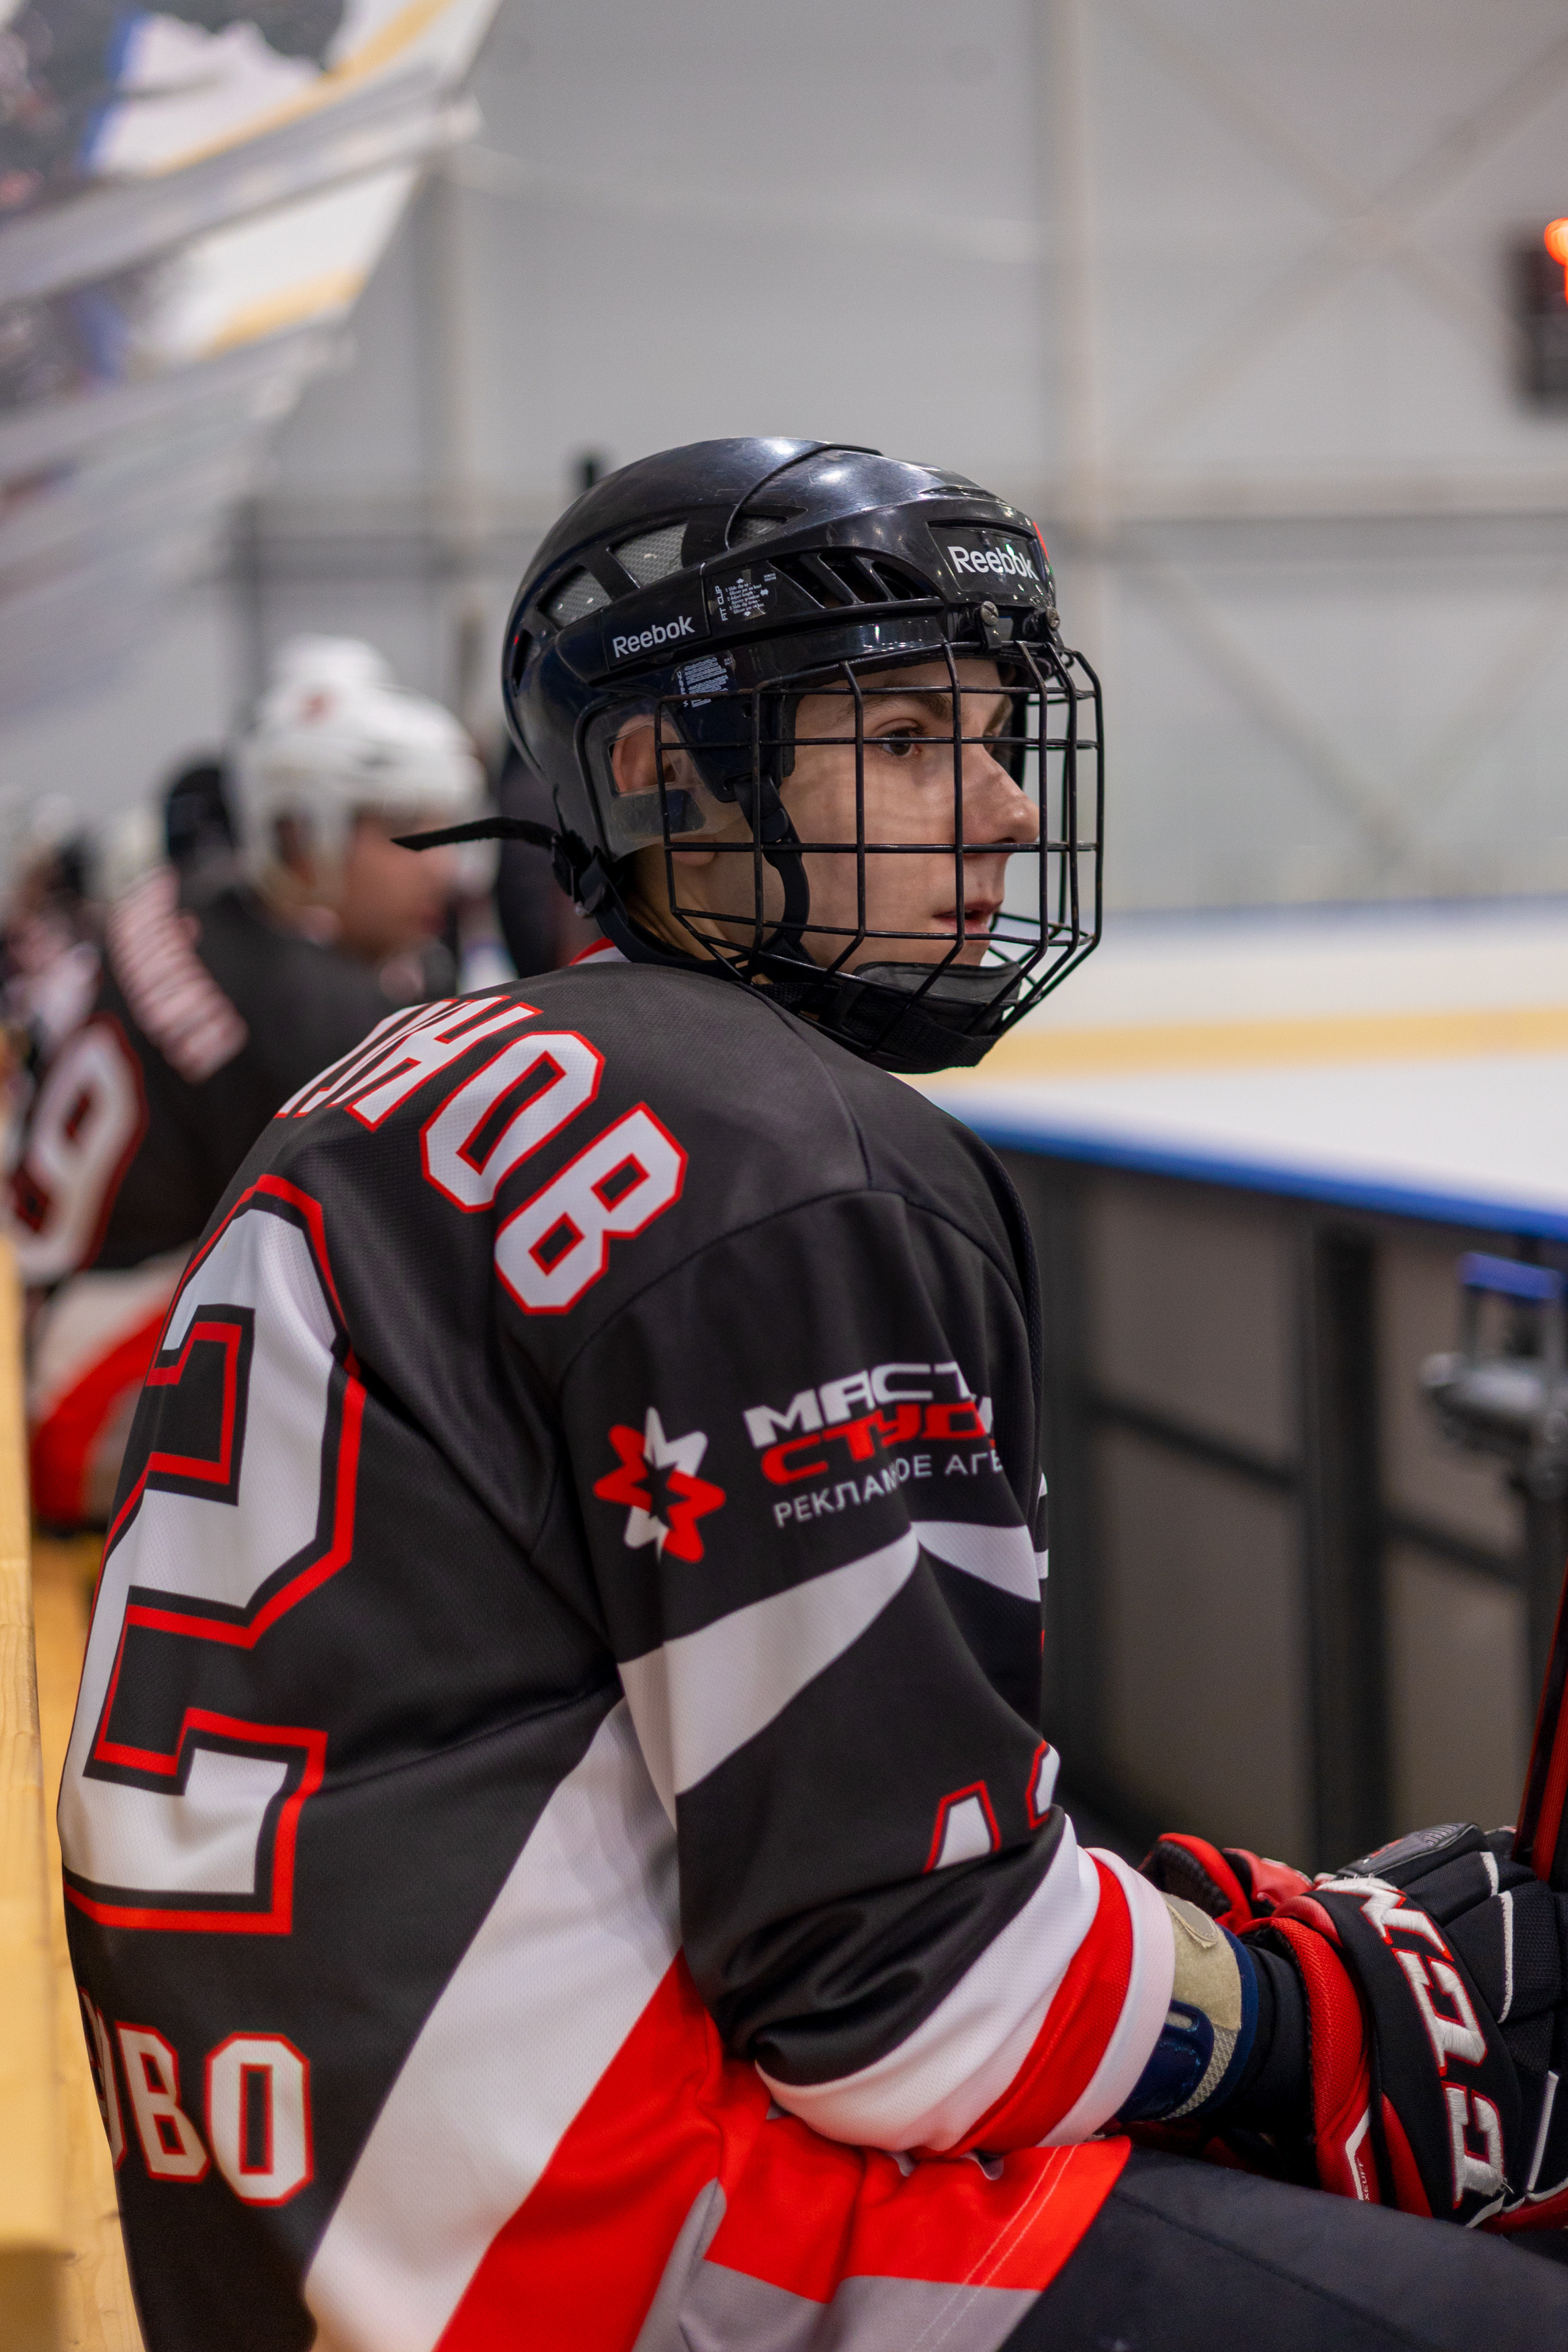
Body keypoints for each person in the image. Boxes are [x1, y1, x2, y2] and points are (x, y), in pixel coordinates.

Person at [56, 441, 1568, 2351]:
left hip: (298, 2190)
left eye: (996, 737)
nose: (1005, 809)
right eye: (911, 741)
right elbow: (910, 2008)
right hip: (555, 2238)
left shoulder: (397, 1071)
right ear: (660, 772)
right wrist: (1311, 1997)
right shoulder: (784, 1160)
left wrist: (1225, 1938)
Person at [13, 636, 480, 1528]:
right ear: (299, 834)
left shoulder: (192, 897)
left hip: (46, 1310)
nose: (442, 865)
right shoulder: (311, 1013)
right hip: (79, 1386)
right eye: (402, 831)